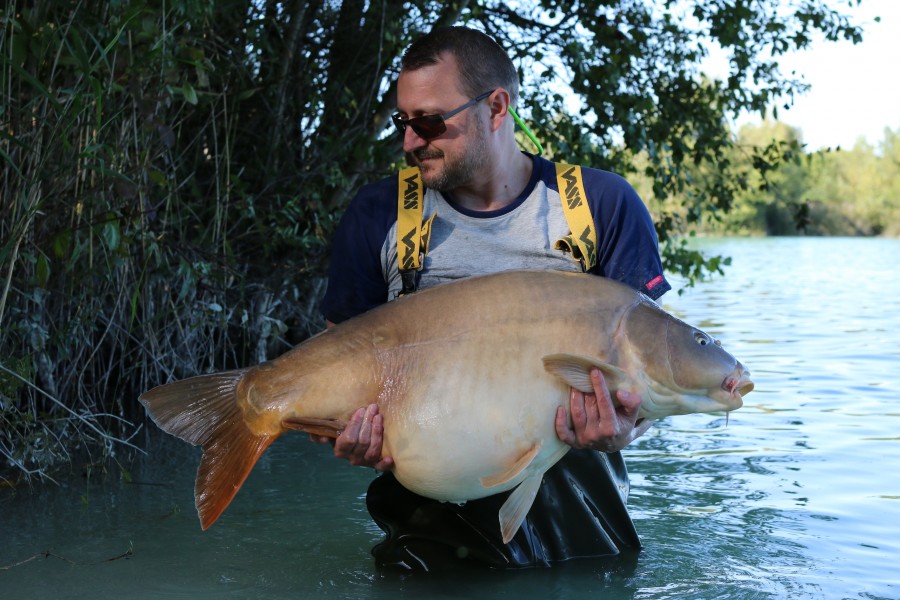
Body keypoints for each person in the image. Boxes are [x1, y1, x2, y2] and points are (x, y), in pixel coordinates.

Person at [316, 26, 670, 571]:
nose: (411, 141)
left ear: (497, 108)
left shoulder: (600, 205)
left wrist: (625, 428)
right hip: (430, 527)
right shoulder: (378, 213)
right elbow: (339, 363)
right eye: (403, 122)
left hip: (578, 523)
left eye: (430, 121)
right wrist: (344, 433)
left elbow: (651, 373)